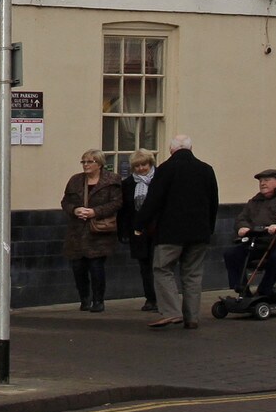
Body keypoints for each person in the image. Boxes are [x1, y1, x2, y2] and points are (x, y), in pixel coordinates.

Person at [139, 133, 221, 329]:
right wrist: (209, 228)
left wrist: (139, 223)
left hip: (170, 232)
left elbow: (153, 200)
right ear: (191, 149)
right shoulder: (206, 169)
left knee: (162, 268)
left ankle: (171, 312)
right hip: (199, 232)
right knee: (193, 274)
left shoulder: (166, 169)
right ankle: (192, 317)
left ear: (171, 150)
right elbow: (213, 202)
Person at [223, 169, 276, 299]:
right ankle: (242, 290)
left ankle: (265, 290)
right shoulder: (254, 202)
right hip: (259, 243)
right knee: (232, 254)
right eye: (261, 181)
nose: (262, 183)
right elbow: (242, 218)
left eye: (267, 180)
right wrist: (242, 227)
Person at [61, 148, 123, 312]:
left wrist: (96, 212)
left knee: (96, 266)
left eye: (90, 162)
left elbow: (116, 203)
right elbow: (65, 202)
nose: (86, 165)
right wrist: (75, 210)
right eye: (84, 162)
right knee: (78, 267)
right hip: (77, 231)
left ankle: (98, 300)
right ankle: (84, 298)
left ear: (100, 164)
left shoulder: (112, 180)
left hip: (99, 230)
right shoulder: (75, 180)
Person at [117, 149, 159, 311]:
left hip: (158, 229)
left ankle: (162, 297)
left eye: (144, 165)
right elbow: (125, 210)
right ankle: (150, 298)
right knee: (145, 266)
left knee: (159, 265)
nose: (141, 168)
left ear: (150, 164)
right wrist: (123, 231)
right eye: (137, 166)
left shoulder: (160, 180)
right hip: (138, 231)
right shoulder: (128, 184)